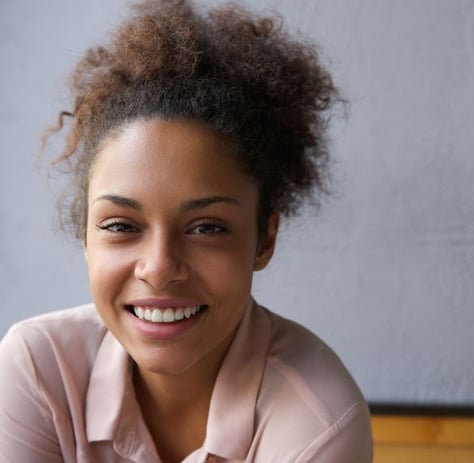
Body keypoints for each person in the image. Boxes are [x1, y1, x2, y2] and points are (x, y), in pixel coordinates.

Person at [0, 0, 373, 461]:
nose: (159, 269)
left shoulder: (318, 424)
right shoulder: (37, 368)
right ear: (85, 237)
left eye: (207, 227)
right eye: (120, 225)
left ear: (264, 239)